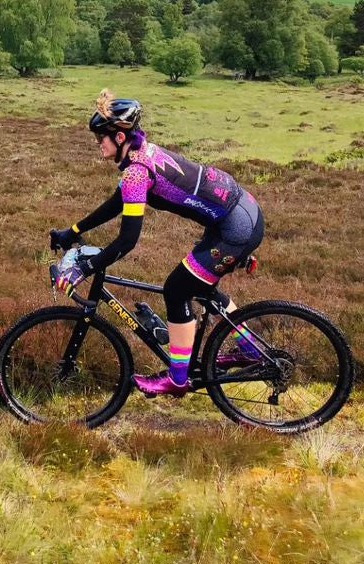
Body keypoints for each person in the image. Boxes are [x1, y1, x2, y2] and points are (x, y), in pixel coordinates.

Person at [52, 89, 265, 397]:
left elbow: (127, 240)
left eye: (102, 138)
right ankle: (251, 350)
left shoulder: (138, 172)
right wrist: (73, 230)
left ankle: (177, 380)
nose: (99, 144)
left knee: (177, 288)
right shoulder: (141, 155)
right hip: (239, 213)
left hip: (235, 227)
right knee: (199, 286)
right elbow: (118, 202)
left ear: (120, 139)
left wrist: (86, 267)